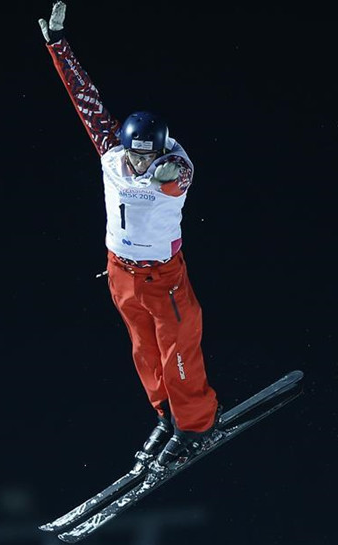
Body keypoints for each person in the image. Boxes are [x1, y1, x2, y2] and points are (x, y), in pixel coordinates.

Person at [38, 1, 219, 467]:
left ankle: (197, 425)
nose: (137, 165)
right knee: (144, 351)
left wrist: (162, 172)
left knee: (179, 349)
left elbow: (176, 177)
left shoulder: (174, 167)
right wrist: (58, 46)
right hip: (119, 270)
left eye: (146, 157)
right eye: (133, 156)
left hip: (163, 276)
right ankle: (166, 417)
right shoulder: (112, 151)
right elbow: (86, 99)